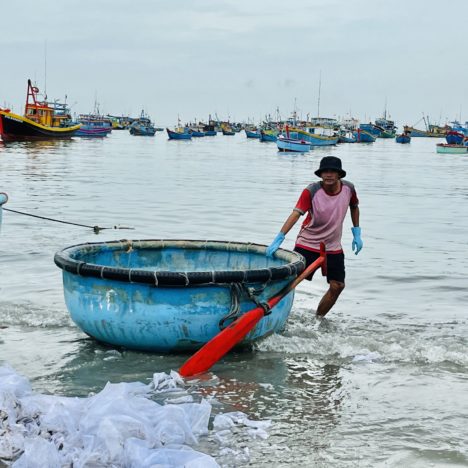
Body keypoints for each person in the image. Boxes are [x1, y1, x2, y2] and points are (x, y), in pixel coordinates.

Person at [265, 156, 362, 317]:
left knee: (337, 285)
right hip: (308, 243)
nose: (328, 175)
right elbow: (296, 213)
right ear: (320, 174)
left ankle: (318, 319)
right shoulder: (311, 191)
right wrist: (280, 236)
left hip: (332, 246)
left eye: (333, 171)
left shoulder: (349, 189)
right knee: (289, 282)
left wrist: (357, 232)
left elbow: (354, 207)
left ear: (339, 175)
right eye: (325, 171)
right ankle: (272, 314)